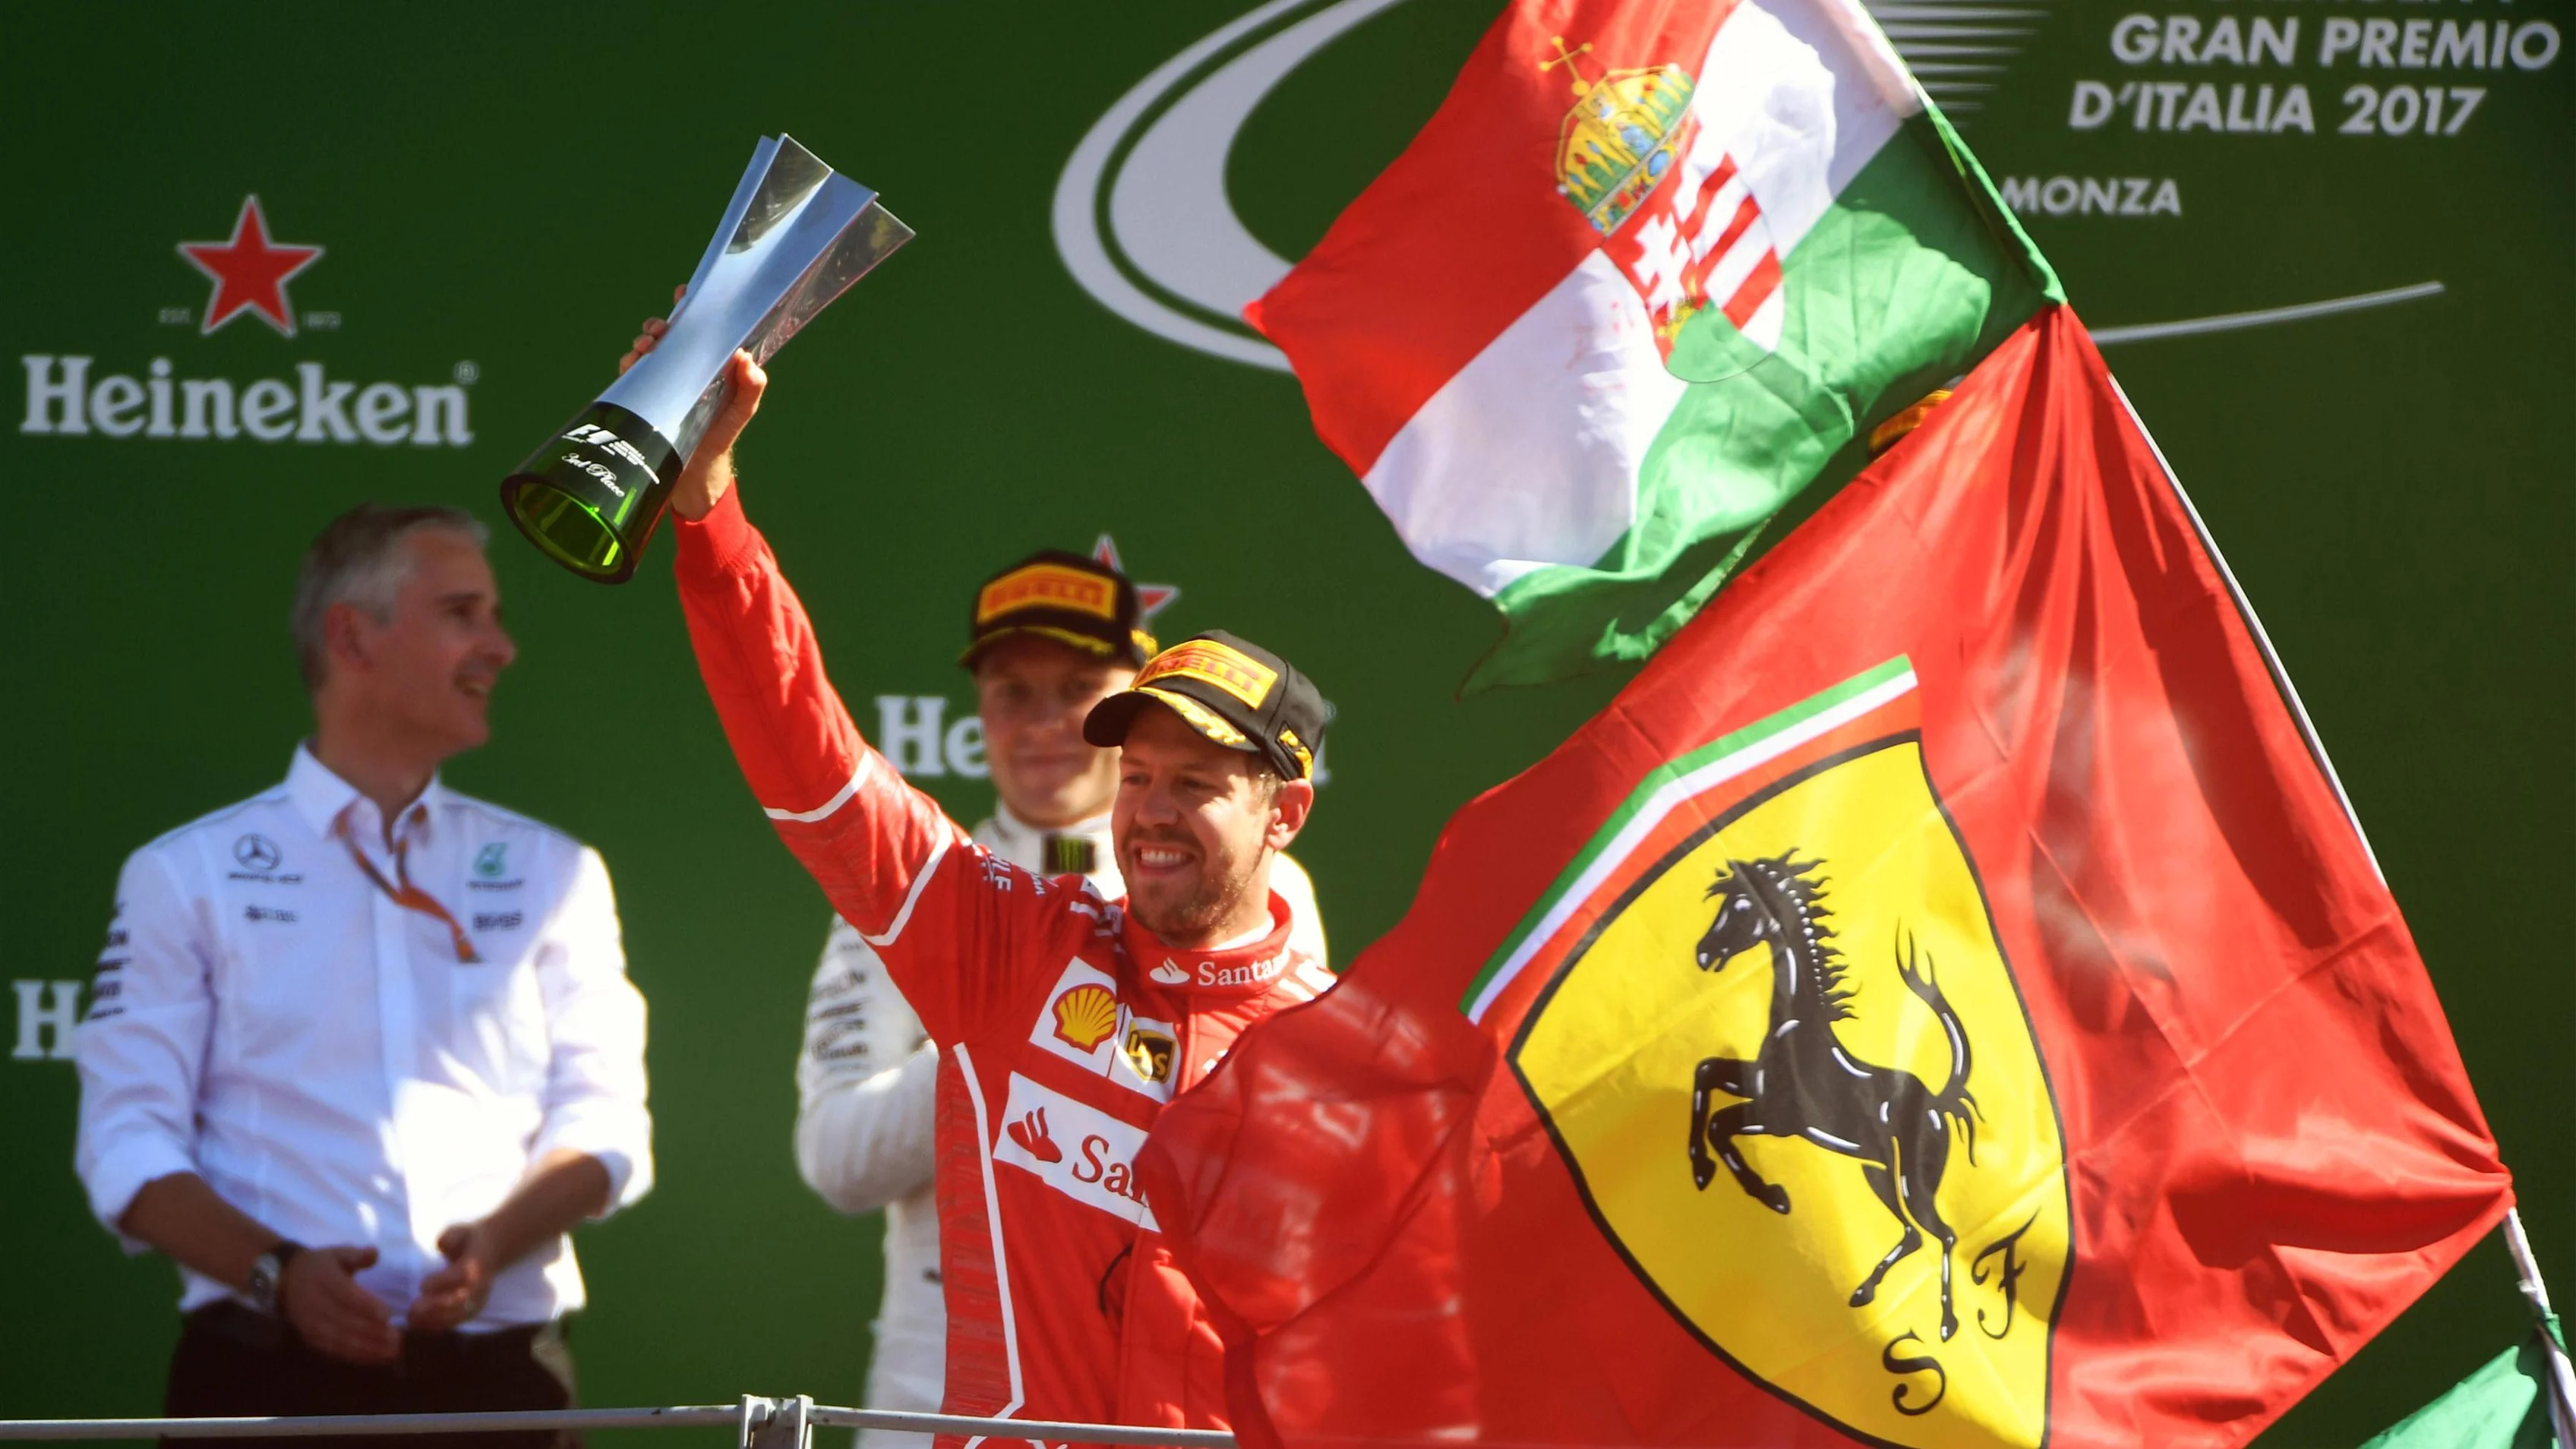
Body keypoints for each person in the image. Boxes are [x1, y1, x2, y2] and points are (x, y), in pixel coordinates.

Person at [622, 324, 1335, 1435]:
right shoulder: (1009, 945)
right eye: (1138, 775)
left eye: (1193, 783)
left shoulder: (1333, 1040)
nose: (1150, 809)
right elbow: (813, 766)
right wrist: (710, 515)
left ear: (1282, 815)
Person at [73, 506, 653, 1449]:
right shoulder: (186, 874)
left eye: (495, 616)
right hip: (263, 1380)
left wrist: (496, 1243)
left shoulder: (556, 873)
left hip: (507, 1388)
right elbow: (125, 1143)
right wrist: (276, 1272)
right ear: (351, 636)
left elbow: (607, 1123)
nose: (500, 647)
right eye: (462, 613)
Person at [793, 550, 1327, 1448]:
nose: (1043, 724)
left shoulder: (1250, 889)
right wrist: (993, 1029)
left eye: (1078, 690)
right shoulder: (923, 899)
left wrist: (1033, 1022)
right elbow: (835, 1158)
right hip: (929, 1380)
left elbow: (1256, 1162)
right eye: (1013, 694)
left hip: (1164, 1386)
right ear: (979, 713)